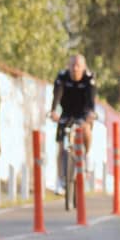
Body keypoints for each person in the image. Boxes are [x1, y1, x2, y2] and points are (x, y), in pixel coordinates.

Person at [50, 53, 97, 188]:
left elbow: (91, 100)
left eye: (78, 66)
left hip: (83, 112)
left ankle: (87, 155)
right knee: (60, 148)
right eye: (72, 65)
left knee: (87, 128)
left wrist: (90, 114)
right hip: (66, 113)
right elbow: (56, 95)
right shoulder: (62, 77)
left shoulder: (89, 78)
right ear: (68, 66)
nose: (75, 68)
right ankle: (60, 180)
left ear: (83, 67)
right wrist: (53, 111)